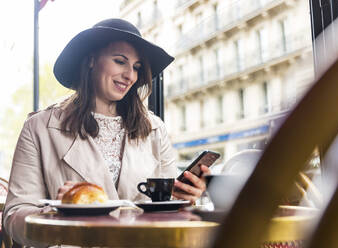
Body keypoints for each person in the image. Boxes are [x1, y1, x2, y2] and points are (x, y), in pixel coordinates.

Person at [3, 18, 210, 246]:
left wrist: (185, 199)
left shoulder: (154, 129)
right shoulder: (40, 127)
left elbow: (168, 210)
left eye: (137, 67)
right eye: (120, 61)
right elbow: (14, 216)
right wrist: (58, 216)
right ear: (91, 60)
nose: (130, 75)